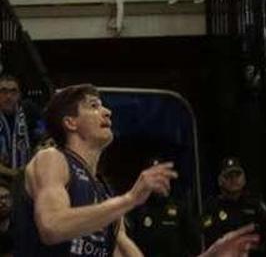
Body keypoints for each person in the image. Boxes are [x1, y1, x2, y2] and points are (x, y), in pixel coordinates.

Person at [14, 85, 178, 256]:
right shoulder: (52, 159)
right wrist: (130, 199)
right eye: (94, 106)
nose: (107, 112)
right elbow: (51, 227)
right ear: (71, 122)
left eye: (102, 106)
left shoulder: (106, 195)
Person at [201, 157, 266, 257]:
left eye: (237, 175)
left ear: (244, 178)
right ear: (220, 180)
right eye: (228, 176)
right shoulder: (211, 207)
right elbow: (210, 240)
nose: (234, 179)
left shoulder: (256, 205)